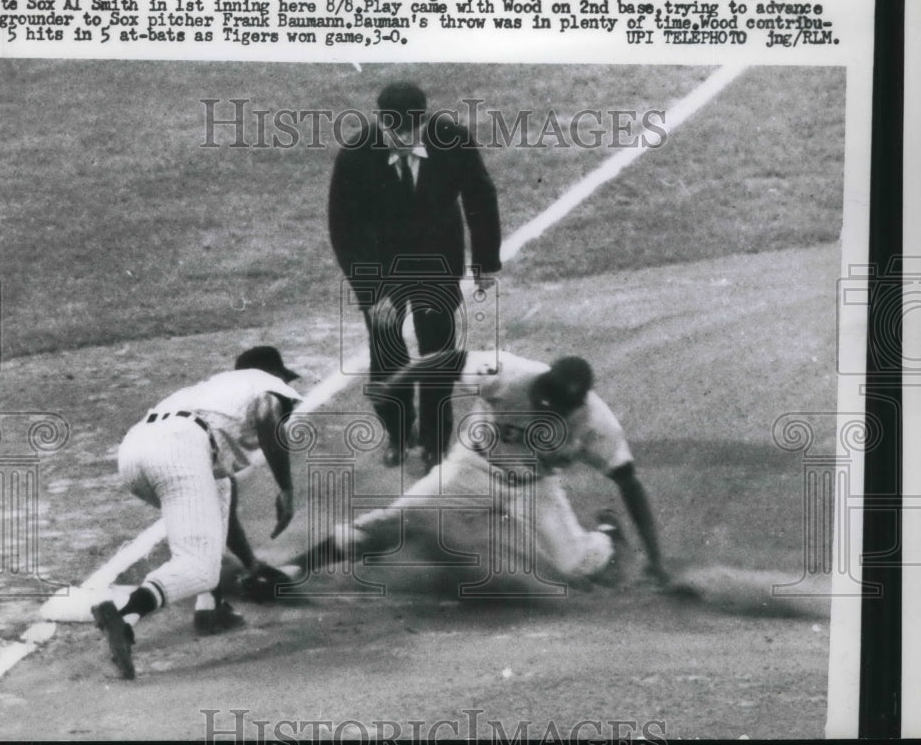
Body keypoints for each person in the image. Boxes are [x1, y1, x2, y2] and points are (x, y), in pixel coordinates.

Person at [245, 349, 666, 599]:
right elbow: (447, 359)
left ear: (576, 406)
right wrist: (396, 384)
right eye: (542, 398)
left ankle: (607, 534)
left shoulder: (598, 425)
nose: (543, 408)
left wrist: (658, 559)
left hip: (533, 485)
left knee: (575, 568)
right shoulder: (508, 373)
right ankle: (293, 570)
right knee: (398, 518)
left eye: (554, 407)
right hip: (474, 466)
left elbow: (629, 481)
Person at [90, 346, 302, 680]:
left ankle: (210, 609)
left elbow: (222, 514)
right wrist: (286, 488)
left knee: (214, 503)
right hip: (180, 448)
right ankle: (124, 614)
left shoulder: (208, 392)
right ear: (274, 372)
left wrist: (250, 564)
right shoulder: (264, 384)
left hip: (134, 453)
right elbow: (267, 415)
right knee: (197, 565)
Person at [328, 81, 501, 469]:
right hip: (382, 264)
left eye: (410, 131)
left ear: (423, 122)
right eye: (394, 132)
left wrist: (486, 261)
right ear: (382, 123)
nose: (403, 139)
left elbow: (479, 196)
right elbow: (344, 229)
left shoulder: (452, 139)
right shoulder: (357, 153)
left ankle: (436, 437)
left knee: (437, 350)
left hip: (438, 259)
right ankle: (399, 431)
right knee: (386, 349)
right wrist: (372, 295)